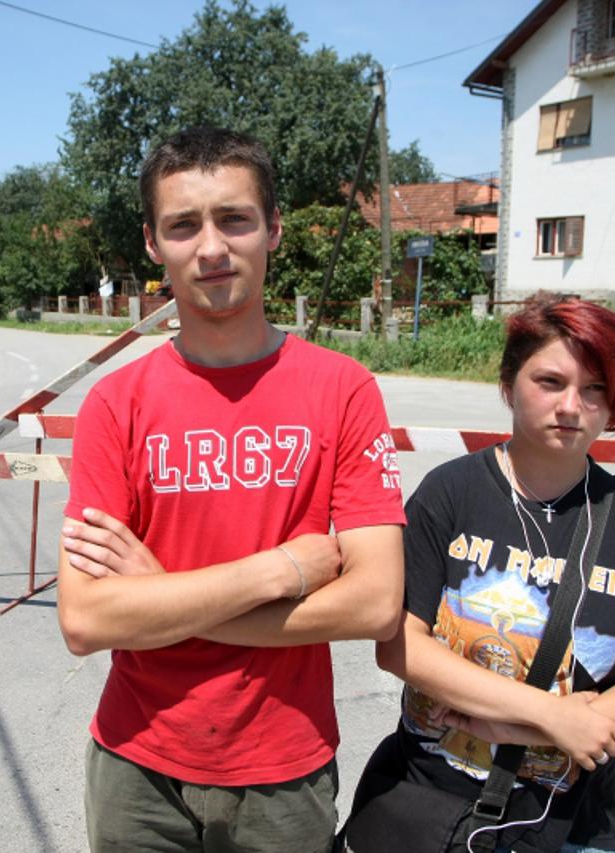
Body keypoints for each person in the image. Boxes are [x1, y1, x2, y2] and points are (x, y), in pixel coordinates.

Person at [56, 127, 406, 853]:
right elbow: (86, 620)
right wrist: (279, 570)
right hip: (135, 767)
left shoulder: (342, 389)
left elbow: (375, 602)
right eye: (183, 225)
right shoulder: (115, 405)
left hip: (284, 769)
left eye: (234, 219)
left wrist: (161, 598)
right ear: (153, 244)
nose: (210, 247)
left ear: (272, 229)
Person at [351, 295, 615, 852]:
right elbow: (399, 647)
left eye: (594, 390)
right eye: (550, 382)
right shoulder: (451, 492)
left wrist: (513, 730)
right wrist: (548, 716)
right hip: (430, 799)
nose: (571, 406)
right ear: (508, 383)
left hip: (576, 822)